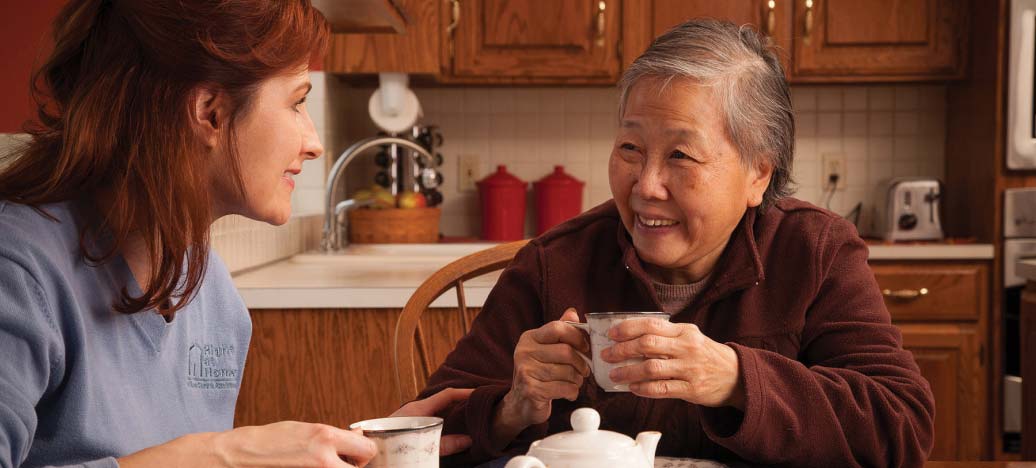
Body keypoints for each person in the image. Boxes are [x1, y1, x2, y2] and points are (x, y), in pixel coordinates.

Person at [419, 19, 936, 468]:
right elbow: (422, 434)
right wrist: (512, 406)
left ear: (758, 173)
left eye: (682, 156)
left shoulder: (815, 252)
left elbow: (900, 427)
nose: (645, 185)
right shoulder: (555, 264)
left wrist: (736, 379)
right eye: (630, 148)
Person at [0, 1, 468, 467]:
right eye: (297, 102)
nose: (314, 142)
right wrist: (219, 453)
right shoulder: (18, 268)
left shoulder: (210, 290)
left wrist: (370, 449)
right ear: (210, 112)